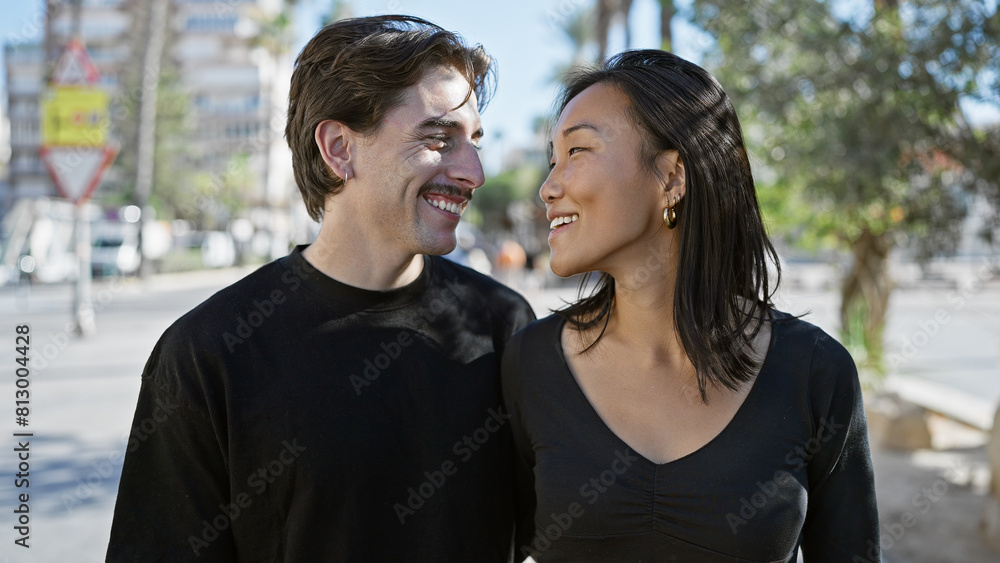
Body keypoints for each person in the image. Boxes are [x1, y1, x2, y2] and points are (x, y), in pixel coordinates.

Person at [107, 15, 535, 562]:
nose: (473, 170)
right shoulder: (207, 355)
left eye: (475, 141)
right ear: (339, 148)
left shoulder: (504, 324)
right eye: (439, 138)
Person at [501, 49, 879, 562]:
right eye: (552, 161)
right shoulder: (531, 363)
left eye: (578, 152)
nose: (549, 187)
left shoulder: (815, 372)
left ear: (673, 177)